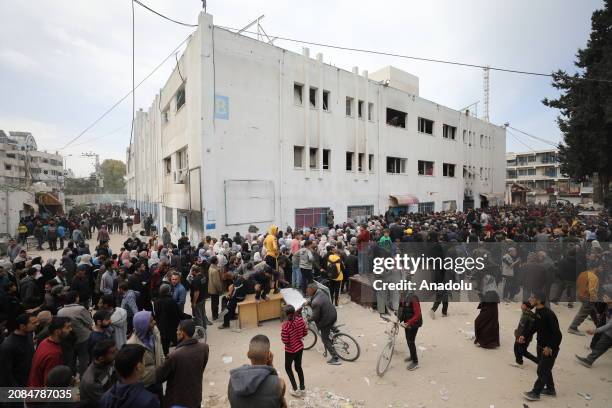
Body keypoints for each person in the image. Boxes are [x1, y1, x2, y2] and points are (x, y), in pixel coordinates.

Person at [155, 319, 209, 408]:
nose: (176, 332)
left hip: (178, 401)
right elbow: (202, 367)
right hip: (196, 397)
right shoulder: (204, 348)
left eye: (178, 330)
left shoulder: (174, 355)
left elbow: (159, 376)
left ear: (182, 333)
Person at [522, 292, 562, 402]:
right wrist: (524, 336)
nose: (529, 299)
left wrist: (549, 347)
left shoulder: (549, 314)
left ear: (538, 300)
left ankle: (535, 393)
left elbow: (558, 335)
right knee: (545, 369)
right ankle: (550, 389)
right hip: (540, 346)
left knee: (541, 370)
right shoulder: (538, 311)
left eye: (532, 297)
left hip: (549, 348)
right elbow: (535, 326)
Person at [228, 334, 287, 407]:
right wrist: (270, 365)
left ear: (248, 354)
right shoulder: (279, 383)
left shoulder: (233, 380)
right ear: (269, 355)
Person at [126, 311, 164, 395]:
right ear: (143, 326)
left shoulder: (155, 331)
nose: (154, 322)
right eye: (151, 321)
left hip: (158, 379)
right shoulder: (131, 345)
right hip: (145, 386)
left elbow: (160, 350)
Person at [28, 316, 72, 387]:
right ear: (57, 331)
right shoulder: (54, 354)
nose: (70, 329)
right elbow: (50, 384)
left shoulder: (44, 342)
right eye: (68, 327)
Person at [58, 291, 94, 376]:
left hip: (68, 338)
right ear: (76, 298)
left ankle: (71, 376)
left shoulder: (60, 311)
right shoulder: (80, 309)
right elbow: (89, 322)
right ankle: (83, 377)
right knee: (83, 359)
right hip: (82, 337)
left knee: (71, 359)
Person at [575, 286, 612, 367]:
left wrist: (595, 330)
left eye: (606, 296)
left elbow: (609, 325)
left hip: (610, 333)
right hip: (608, 333)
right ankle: (589, 361)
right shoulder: (608, 306)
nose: (603, 297)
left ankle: (589, 360)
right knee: (600, 345)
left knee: (601, 345)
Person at [306, 283, 340, 365]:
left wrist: (309, 319)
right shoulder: (321, 292)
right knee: (329, 324)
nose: (307, 291)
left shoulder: (315, 302)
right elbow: (314, 301)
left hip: (327, 320)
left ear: (312, 290)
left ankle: (335, 357)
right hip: (333, 314)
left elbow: (315, 317)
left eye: (308, 290)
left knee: (324, 338)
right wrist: (308, 302)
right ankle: (335, 330)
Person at [0, 313, 37, 387]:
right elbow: (6, 373)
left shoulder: (28, 335)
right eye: (33, 323)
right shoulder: (8, 346)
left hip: (29, 382)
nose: (37, 324)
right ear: (22, 326)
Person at [568, 260, 602, 336]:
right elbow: (592, 290)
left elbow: (578, 283)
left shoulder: (583, 273)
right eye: (600, 267)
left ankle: (600, 327)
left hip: (580, 294)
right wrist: (595, 299)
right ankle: (572, 327)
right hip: (587, 297)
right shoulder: (594, 277)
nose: (601, 269)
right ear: (595, 268)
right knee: (583, 313)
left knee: (592, 311)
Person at [80, 339, 118, 407]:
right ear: (101, 359)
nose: (116, 353)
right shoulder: (91, 381)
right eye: (113, 352)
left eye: (116, 350)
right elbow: (104, 403)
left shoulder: (109, 362)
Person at [281, 305, 308, 397]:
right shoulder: (300, 320)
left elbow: (285, 341)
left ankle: (295, 389)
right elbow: (305, 332)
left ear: (285, 315)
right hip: (300, 348)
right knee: (298, 367)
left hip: (290, 350)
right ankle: (302, 388)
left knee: (288, 368)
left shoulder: (285, 326)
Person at [153, 284, 181, 356]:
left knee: (165, 346)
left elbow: (157, 314)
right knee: (178, 342)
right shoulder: (171, 301)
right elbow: (177, 314)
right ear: (169, 291)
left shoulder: (156, 302)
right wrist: (188, 317)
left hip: (162, 327)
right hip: (172, 327)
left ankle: (167, 358)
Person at [474, 277, 500, 349]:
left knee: (481, 323)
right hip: (489, 311)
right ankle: (486, 341)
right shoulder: (489, 289)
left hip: (489, 311)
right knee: (486, 325)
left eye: (485, 280)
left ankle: (485, 342)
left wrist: (481, 295)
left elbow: (488, 301)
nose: (484, 281)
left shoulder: (492, 291)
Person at [399, 291, 422, 371]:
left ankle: (415, 362)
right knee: (408, 340)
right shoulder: (402, 297)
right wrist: (398, 319)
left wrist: (409, 323)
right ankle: (412, 356)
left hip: (414, 323)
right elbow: (401, 310)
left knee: (411, 341)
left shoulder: (413, 298)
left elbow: (418, 314)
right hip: (407, 323)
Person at [513, 301, 538, 366]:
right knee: (517, 348)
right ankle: (519, 362)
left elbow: (528, 328)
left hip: (524, 336)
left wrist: (523, 336)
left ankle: (538, 361)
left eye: (524, 305)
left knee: (522, 351)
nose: (522, 306)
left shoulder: (529, 315)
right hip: (520, 335)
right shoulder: (525, 313)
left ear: (528, 308)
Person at [207, 256, 223, 320]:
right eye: (217, 260)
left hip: (211, 288)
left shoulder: (210, 268)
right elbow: (217, 282)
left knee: (213, 303)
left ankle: (214, 315)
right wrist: (220, 289)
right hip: (215, 289)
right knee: (215, 303)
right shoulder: (215, 271)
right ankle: (215, 316)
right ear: (216, 261)